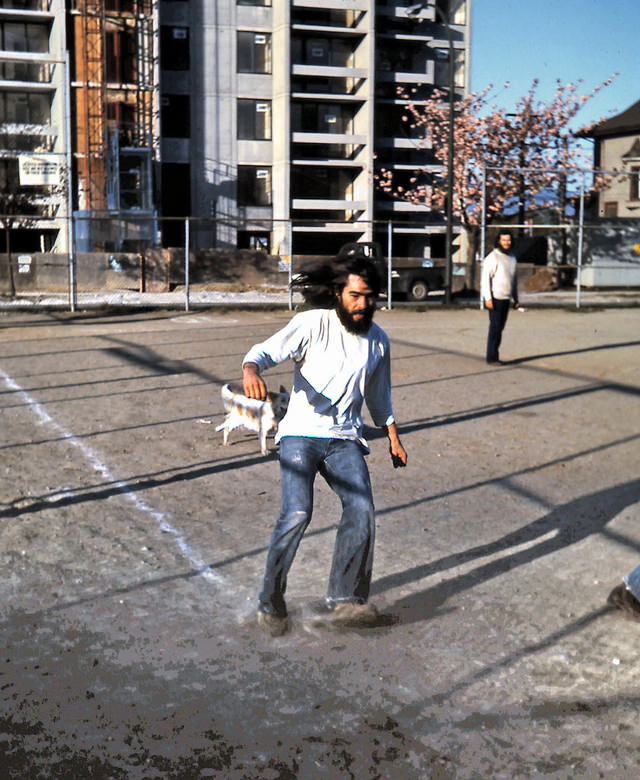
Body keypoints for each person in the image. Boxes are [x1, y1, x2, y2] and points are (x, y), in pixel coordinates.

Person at [242, 249, 408, 636]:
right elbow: (264, 352)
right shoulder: (312, 323)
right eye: (355, 296)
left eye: (369, 296)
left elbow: (379, 396)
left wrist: (393, 438)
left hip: (345, 438)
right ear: (337, 293)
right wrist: (251, 369)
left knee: (362, 509)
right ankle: (270, 603)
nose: (363, 304)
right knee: (298, 512)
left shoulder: (378, 341)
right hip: (301, 433)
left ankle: (346, 600)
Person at [480, 230, 519, 365]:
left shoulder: (512, 258)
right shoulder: (493, 257)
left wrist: (516, 298)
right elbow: (485, 279)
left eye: (508, 240)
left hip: (506, 298)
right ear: (498, 241)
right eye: (503, 240)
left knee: (500, 328)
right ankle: (492, 357)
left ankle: (495, 354)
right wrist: (488, 298)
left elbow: (514, 280)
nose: (506, 243)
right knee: (495, 328)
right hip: (495, 298)